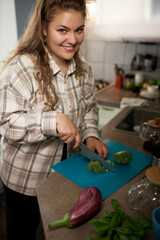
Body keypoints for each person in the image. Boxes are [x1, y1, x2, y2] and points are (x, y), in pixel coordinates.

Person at [0, 0, 108, 239]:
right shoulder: (22, 68)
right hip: (25, 182)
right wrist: (53, 120)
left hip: (68, 174)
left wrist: (91, 134)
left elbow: (90, 107)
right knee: (23, 234)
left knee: (60, 232)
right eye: (63, 30)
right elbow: (7, 123)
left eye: (79, 30)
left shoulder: (85, 70)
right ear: (44, 29)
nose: (73, 40)